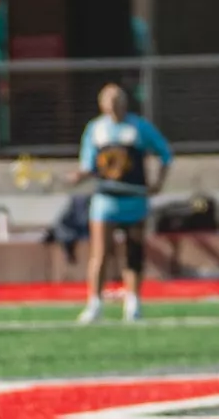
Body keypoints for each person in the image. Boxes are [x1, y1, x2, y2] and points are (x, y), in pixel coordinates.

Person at [69, 83, 173, 322]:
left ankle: (133, 303)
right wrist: (78, 176)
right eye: (110, 103)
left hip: (134, 199)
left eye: (118, 102)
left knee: (133, 252)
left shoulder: (139, 127)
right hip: (106, 201)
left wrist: (158, 183)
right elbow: (89, 165)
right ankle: (95, 304)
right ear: (102, 105)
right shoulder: (96, 129)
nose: (115, 108)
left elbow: (165, 154)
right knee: (100, 253)